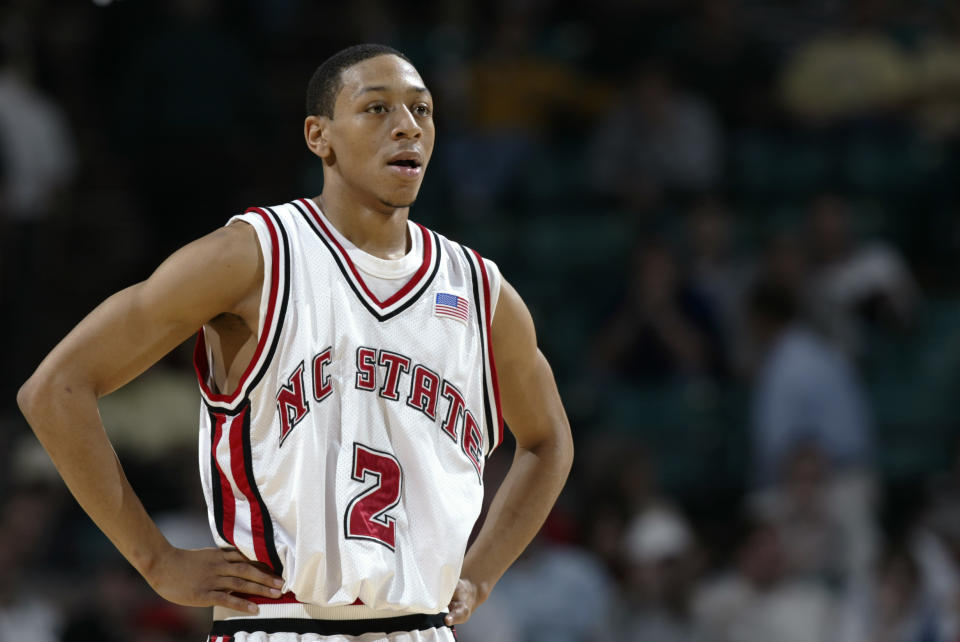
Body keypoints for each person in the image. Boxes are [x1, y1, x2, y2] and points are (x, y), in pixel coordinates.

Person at [16, 43, 574, 642]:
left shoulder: (481, 293)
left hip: (420, 626)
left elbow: (547, 443)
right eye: (377, 109)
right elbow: (55, 388)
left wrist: (482, 574)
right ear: (319, 136)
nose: (407, 126)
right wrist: (155, 558)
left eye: (422, 110)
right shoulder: (252, 257)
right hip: (281, 623)